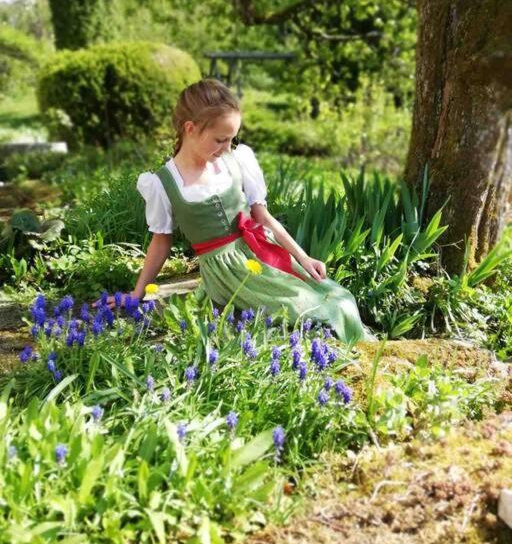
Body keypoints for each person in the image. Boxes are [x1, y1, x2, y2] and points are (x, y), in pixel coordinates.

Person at [95, 78, 377, 345]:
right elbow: (161, 242)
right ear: (190, 128)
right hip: (226, 274)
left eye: (231, 139)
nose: (227, 147)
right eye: (220, 139)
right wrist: (137, 293)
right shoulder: (162, 183)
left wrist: (303, 258)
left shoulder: (235, 161)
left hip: (260, 254)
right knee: (306, 314)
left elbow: (262, 218)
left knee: (338, 298)